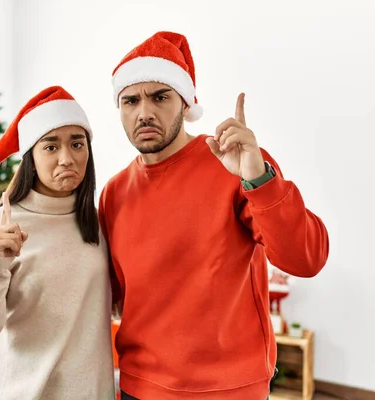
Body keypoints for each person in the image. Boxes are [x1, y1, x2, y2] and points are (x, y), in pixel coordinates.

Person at [99, 31, 329, 400]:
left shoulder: (235, 164)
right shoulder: (113, 192)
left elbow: (306, 259)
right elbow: (112, 297)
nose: (144, 112)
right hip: (139, 388)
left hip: (229, 390)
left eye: (160, 96)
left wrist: (258, 179)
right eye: (130, 100)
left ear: (186, 102)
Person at [0, 86, 115, 400]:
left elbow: (116, 307)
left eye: (77, 144)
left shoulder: (98, 224)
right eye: (51, 146)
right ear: (31, 154)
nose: (67, 158)